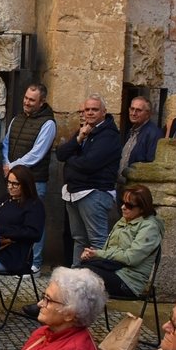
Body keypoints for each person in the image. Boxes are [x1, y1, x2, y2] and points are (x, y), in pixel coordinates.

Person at [55, 94, 122, 267]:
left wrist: (70, 159)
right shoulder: (85, 130)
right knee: (79, 239)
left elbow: (89, 164)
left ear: (104, 112)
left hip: (94, 192)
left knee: (97, 241)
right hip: (75, 192)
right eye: (87, 109)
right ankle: (77, 277)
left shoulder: (109, 135)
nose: (90, 113)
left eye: (94, 109)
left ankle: (99, 278)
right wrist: (78, 139)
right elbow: (60, 154)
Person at [2, 83, 55, 270]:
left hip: (34, 180)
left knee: (34, 223)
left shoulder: (48, 124)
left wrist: (12, 166)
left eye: (32, 100)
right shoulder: (17, 118)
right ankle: (16, 261)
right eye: (26, 98)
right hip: (13, 177)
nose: (27, 102)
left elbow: (37, 153)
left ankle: (35, 263)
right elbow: (6, 143)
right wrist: (6, 164)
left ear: (42, 102)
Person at [81, 184, 164, 298]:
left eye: (129, 205)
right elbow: (108, 251)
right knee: (79, 271)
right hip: (113, 270)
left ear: (142, 208)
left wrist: (99, 254)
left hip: (129, 281)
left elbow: (131, 258)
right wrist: (91, 254)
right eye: (122, 202)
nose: (123, 207)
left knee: (82, 277)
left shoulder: (150, 227)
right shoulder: (124, 220)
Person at [0, 165, 45, 276]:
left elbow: (34, 233)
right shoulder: (5, 199)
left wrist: (2, 230)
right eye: (9, 182)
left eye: (15, 184)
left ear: (25, 184)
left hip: (15, 256)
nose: (10, 187)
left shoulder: (34, 205)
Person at [118, 94, 160, 179]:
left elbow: (150, 166)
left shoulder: (154, 134)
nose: (133, 113)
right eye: (132, 109)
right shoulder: (131, 131)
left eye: (138, 110)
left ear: (148, 114)